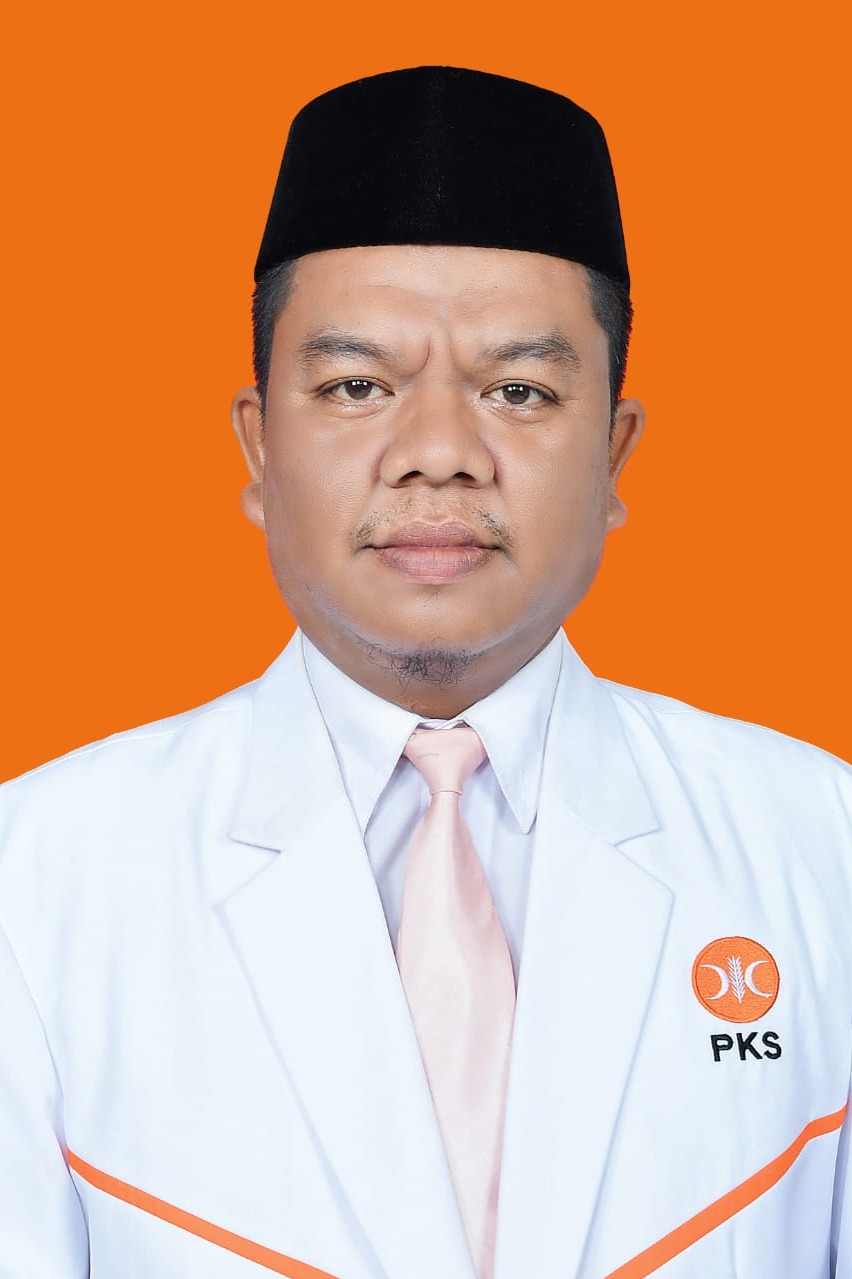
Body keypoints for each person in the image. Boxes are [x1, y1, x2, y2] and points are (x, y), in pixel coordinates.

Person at [1, 64, 850, 1279]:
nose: (440, 452)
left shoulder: (821, 847)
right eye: (357, 387)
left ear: (614, 455)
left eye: (519, 390)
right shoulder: (35, 884)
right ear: (258, 444)